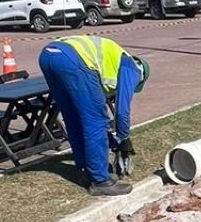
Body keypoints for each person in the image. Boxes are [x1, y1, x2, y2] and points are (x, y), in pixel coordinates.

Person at [38, 36, 148, 196]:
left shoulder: (115, 56)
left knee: (73, 118)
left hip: (48, 55)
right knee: (96, 121)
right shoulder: (133, 69)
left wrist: (113, 140)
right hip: (72, 60)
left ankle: (85, 171)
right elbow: (122, 111)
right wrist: (123, 138)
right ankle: (100, 181)